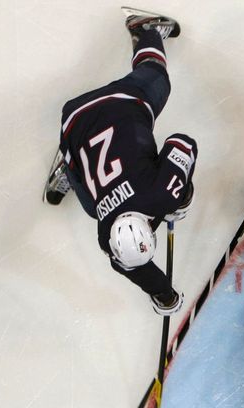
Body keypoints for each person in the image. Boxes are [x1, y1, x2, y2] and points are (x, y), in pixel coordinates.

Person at [43, 7, 197, 316]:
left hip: (114, 105)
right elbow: (132, 267)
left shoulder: (159, 195)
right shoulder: (105, 236)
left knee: (156, 78)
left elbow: (183, 143)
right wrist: (162, 294)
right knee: (92, 207)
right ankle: (68, 169)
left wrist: (180, 193)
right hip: (70, 125)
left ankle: (146, 31)